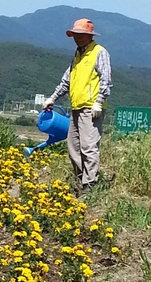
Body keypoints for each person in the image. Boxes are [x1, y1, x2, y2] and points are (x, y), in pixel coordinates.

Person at [42, 18, 112, 196]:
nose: (78, 38)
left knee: (88, 146)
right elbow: (67, 81)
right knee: (73, 146)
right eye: (75, 35)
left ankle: (90, 185)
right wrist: (53, 98)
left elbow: (106, 79)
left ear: (89, 35)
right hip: (76, 107)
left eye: (82, 35)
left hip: (91, 108)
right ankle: (81, 180)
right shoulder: (78, 55)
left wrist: (99, 101)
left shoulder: (99, 52)